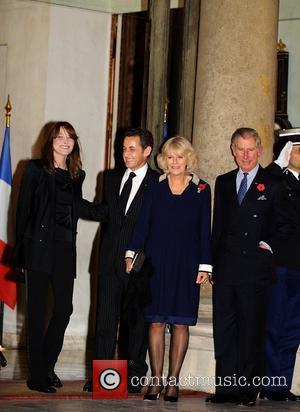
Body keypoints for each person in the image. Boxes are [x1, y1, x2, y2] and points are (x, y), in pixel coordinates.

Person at [207, 127, 292, 407]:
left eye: (250, 149)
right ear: (232, 150)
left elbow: (286, 225)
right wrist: (211, 265)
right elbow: (217, 228)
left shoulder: (274, 183)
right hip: (226, 269)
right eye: (240, 149)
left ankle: (248, 390)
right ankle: (226, 389)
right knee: (226, 331)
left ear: (260, 150)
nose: (245, 155)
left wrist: (268, 244)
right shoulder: (223, 181)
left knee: (251, 332)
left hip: (255, 271)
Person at [125, 136, 212, 402]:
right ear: (164, 160)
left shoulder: (201, 189)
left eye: (180, 157)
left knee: (180, 324)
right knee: (155, 321)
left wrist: (205, 266)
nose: (175, 162)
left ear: (188, 159)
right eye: (170, 157)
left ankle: (173, 383)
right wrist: (131, 253)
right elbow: (142, 224)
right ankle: (156, 380)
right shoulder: (155, 187)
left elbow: (204, 231)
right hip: (156, 263)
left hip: (187, 265)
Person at [12, 121, 91, 393]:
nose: (65, 142)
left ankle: (46, 366)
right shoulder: (34, 169)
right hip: (37, 249)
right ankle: (37, 376)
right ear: (50, 141)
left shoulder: (76, 175)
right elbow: (21, 213)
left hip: (64, 250)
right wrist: (20, 255)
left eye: (70, 137)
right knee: (35, 315)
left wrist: (110, 213)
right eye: (60, 137)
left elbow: (77, 208)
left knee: (64, 310)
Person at [81, 128, 158, 393]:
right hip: (109, 261)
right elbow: (104, 212)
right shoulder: (111, 178)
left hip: (140, 265)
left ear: (147, 151)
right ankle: (101, 378)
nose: (126, 154)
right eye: (124, 148)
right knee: (104, 321)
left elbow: (158, 226)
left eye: (132, 149)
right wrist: (70, 200)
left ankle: (134, 377)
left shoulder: (158, 183)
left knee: (136, 325)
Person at [259, 131, 300, 402]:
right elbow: (258, 191)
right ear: (286, 151)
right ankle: (270, 385)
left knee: (293, 329)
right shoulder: (275, 181)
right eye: (297, 149)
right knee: (274, 324)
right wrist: (277, 165)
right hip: (281, 264)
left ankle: (282, 385)